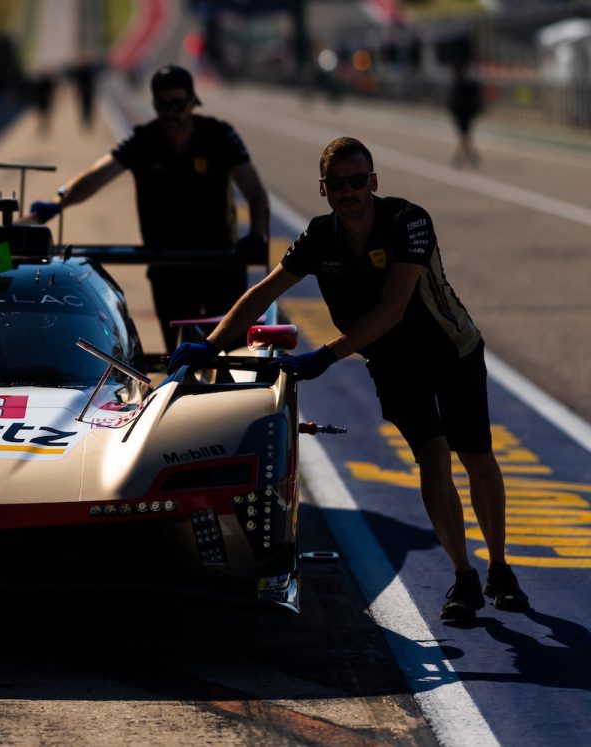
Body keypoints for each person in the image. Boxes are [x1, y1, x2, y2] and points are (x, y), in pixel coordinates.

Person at [170, 136, 528, 623]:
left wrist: (328, 355)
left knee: (476, 455)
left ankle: (501, 568)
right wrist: (211, 342)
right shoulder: (320, 237)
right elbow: (264, 291)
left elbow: (394, 306)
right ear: (323, 189)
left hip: (451, 350)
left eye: (357, 181)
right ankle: (464, 576)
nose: (348, 191)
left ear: (373, 182)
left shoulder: (409, 220)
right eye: (337, 184)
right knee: (432, 456)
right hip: (392, 361)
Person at [26, 64, 269, 353]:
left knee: (233, 352)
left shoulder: (220, 135)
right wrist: (58, 202)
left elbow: (255, 193)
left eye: (178, 104)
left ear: (193, 102)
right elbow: (97, 176)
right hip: (168, 269)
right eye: (163, 105)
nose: (171, 114)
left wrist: (257, 234)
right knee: (181, 355)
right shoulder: (144, 140)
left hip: (221, 264)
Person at [447, 62, 483, 168]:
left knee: (464, 135)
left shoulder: (459, 83)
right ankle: (468, 156)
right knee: (465, 135)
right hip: (466, 113)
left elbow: (454, 100)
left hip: (462, 113)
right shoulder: (468, 83)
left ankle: (467, 156)